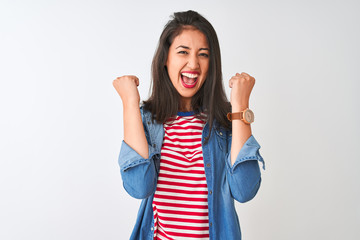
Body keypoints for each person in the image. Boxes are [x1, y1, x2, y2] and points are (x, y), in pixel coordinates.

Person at [113, 10, 265, 240]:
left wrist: (240, 106)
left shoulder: (225, 121)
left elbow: (245, 191)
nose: (193, 63)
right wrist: (130, 104)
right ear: (166, 58)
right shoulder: (147, 119)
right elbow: (139, 187)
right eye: (183, 52)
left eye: (203, 54)